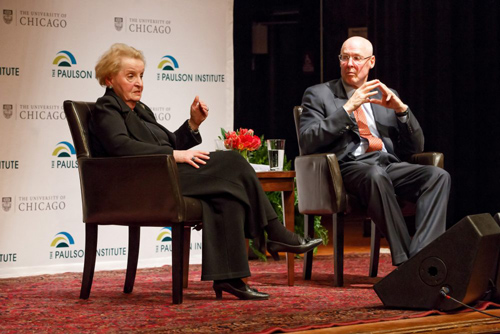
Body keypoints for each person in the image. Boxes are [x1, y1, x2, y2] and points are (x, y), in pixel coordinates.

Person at [90, 43, 322, 300]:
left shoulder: (141, 111)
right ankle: (275, 232)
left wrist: (193, 123)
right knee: (232, 161)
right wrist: (175, 155)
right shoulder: (106, 108)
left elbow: (169, 143)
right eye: (130, 76)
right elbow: (121, 147)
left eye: (142, 75)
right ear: (110, 79)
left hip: (163, 176)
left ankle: (230, 278)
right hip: (144, 185)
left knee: (226, 194)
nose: (139, 83)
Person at [299, 36, 451, 266]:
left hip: (386, 164)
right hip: (348, 168)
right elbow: (308, 140)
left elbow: (415, 148)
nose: (350, 63)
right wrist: (348, 108)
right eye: (345, 57)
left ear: (371, 62)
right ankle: (406, 262)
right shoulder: (318, 94)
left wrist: (402, 112)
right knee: (374, 175)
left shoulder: (384, 93)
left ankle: (422, 255)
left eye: (357, 58)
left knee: (438, 176)